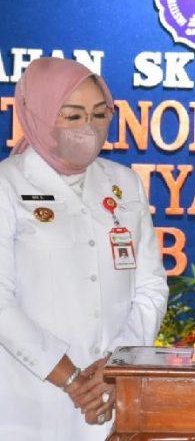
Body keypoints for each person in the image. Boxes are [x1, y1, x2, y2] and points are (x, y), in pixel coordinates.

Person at [0, 58, 169, 440]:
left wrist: (116, 365)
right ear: (39, 114)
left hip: (111, 393)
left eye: (99, 114)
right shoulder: (6, 185)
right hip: (27, 400)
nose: (89, 128)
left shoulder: (124, 182)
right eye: (73, 116)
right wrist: (73, 380)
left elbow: (151, 287)